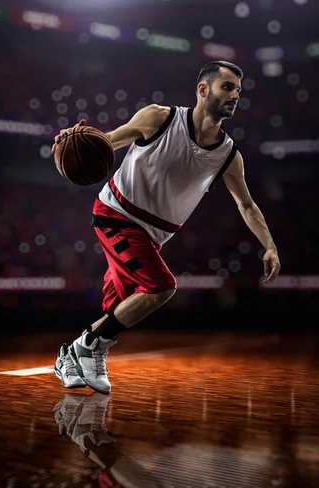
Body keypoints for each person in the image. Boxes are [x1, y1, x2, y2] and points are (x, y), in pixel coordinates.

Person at [52, 61, 281, 394]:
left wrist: (270, 246)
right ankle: (89, 347)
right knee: (160, 286)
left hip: (153, 236)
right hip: (116, 214)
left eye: (238, 91)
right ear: (203, 90)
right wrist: (73, 139)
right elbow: (107, 143)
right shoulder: (160, 117)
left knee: (118, 307)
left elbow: (246, 205)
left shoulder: (229, 155)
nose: (234, 96)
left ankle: (72, 354)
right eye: (227, 87)